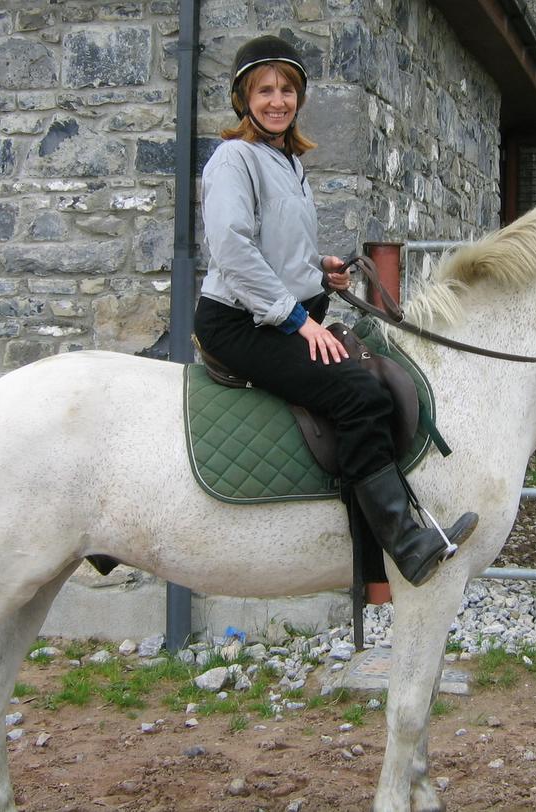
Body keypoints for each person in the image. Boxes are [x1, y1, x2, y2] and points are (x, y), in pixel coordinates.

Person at [193, 35, 478, 587]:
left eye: (287, 90)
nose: (277, 101)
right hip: (239, 322)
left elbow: (276, 247)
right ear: (243, 99)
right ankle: (405, 544)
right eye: (264, 91)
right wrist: (299, 322)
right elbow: (232, 250)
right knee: (358, 392)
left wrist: (317, 271)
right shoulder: (234, 158)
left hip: (276, 309)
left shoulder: (289, 161)